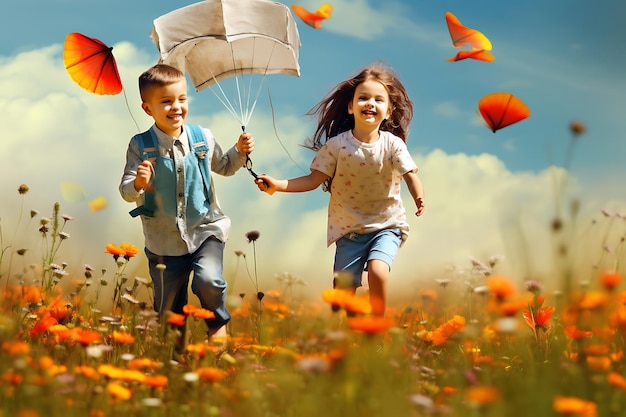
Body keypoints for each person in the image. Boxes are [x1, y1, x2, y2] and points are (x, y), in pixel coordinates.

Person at [255, 62, 425, 317]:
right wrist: (277, 185)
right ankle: (353, 333)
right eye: (363, 98)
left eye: (379, 100)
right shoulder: (336, 147)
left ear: (389, 111)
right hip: (349, 230)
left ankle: (375, 327)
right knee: (342, 294)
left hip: (387, 225)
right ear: (350, 106)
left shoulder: (393, 145)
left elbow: (410, 174)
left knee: (378, 271)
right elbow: (312, 180)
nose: (370, 103)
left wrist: (418, 196)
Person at [119, 64, 254, 344]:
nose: (176, 107)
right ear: (148, 109)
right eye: (166, 102)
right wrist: (139, 183)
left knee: (209, 281)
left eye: (182, 99)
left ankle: (217, 326)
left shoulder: (201, 137)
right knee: (169, 309)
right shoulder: (140, 145)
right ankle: (175, 355)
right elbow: (126, 191)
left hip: (206, 230)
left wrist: (239, 152)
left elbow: (225, 166)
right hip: (163, 242)